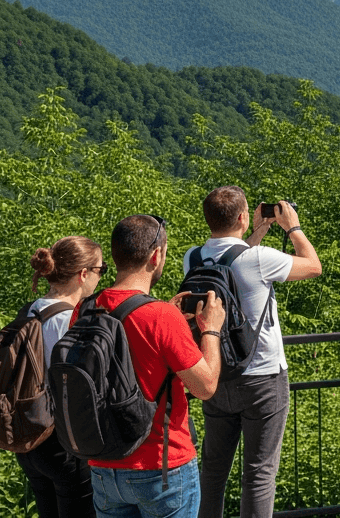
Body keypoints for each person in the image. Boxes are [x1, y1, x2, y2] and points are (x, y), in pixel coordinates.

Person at [189, 187, 322, 518]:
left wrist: (258, 230)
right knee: (259, 475)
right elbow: (313, 266)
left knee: (213, 471)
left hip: (216, 372)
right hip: (262, 377)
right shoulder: (260, 259)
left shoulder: (193, 257)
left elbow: (232, 261)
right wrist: (293, 227)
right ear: (242, 217)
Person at [81, 214, 226, 518]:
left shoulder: (87, 309)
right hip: (162, 466)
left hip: (104, 465)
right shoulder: (161, 316)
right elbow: (205, 387)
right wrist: (211, 330)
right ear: (156, 255)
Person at [14, 237, 106, 518]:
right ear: (83, 274)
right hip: (65, 444)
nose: (100, 278)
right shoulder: (70, 320)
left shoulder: (30, 310)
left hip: (30, 437)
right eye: (101, 270)